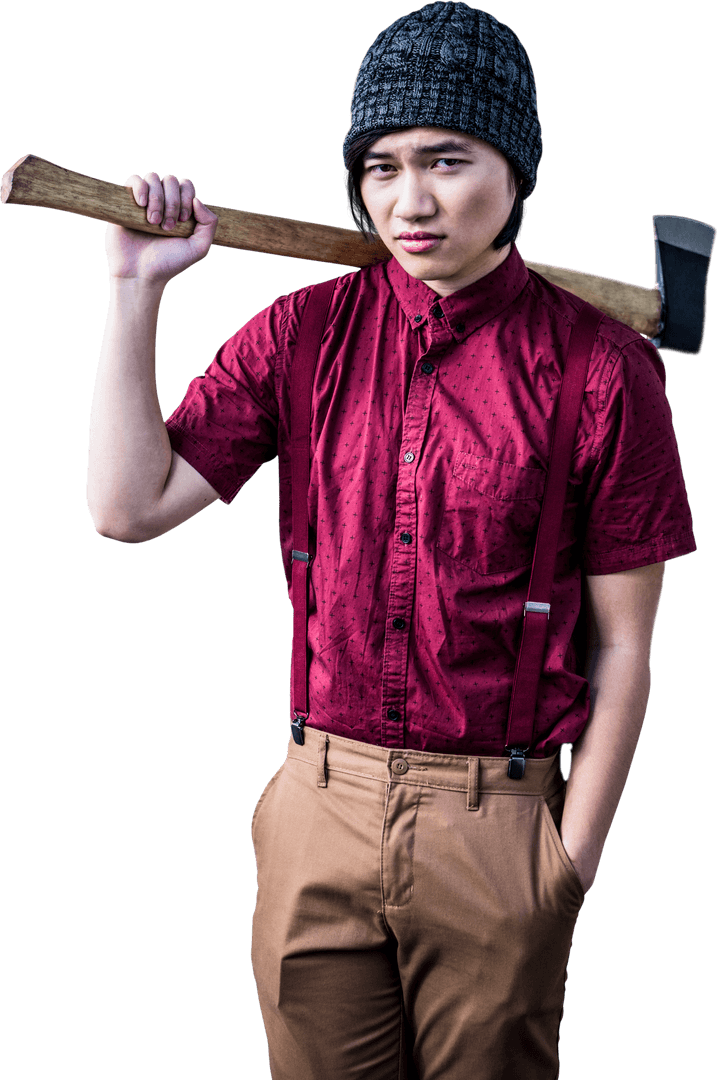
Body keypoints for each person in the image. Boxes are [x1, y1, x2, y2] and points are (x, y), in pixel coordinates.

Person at [86, 3, 696, 1077]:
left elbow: (628, 646)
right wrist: (133, 294)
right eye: (379, 167)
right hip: (315, 806)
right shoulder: (300, 336)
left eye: (446, 160)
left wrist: (567, 863)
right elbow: (126, 507)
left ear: (517, 166)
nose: (408, 202)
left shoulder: (603, 373)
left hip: (500, 825)